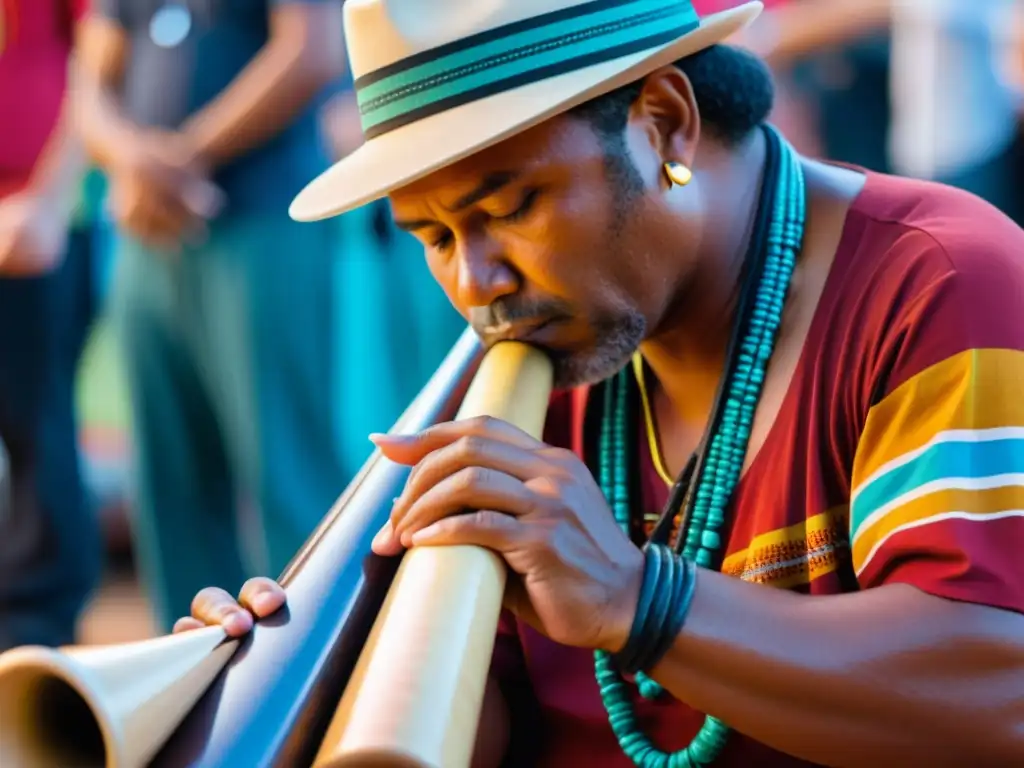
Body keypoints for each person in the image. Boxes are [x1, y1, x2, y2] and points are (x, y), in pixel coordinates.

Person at [172, 0, 1024, 765]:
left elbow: (998, 697)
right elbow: (492, 720)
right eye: (432, 237)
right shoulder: (538, 350)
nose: (476, 284)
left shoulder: (940, 283)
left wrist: (634, 597)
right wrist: (313, 694)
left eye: (509, 208)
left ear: (662, 123)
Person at [75, 0, 349, 632]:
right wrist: (134, 162)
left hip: (262, 221)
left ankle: (312, 670)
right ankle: (190, 682)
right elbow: (90, 80)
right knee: (168, 478)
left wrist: (180, 156)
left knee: (287, 468)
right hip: (150, 231)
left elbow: (310, 51)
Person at [0, 0, 101, 651]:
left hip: (33, 218)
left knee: (36, 423)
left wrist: (51, 198)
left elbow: (97, 61)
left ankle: (33, 634)